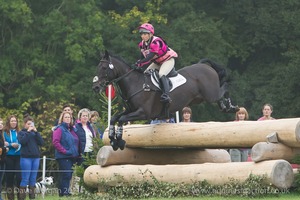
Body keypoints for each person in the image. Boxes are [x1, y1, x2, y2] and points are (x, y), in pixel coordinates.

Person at [135, 23, 178, 104]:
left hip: (168, 60)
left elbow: (150, 57)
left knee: (161, 74)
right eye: (141, 34)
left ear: (150, 34)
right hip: (158, 62)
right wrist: (138, 65)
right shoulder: (142, 44)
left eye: (144, 34)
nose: (142, 36)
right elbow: (142, 57)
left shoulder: (156, 41)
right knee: (146, 73)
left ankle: (166, 95)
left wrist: (140, 62)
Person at [52, 111, 79, 197]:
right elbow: (56, 142)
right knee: (66, 174)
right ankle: (64, 192)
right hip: (63, 156)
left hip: (71, 155)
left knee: (68, 174)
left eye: (69, 117)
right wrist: (64, 151)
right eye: (66, 117)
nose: (68, 119)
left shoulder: (70, 129)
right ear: (62, 119)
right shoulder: (59, 129)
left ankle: (64, 192)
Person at [18, 115, 44, 200]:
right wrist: (28, 132)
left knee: (33, 178)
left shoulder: (34, 134)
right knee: (25, 178)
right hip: (26, 158)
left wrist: (36, 132)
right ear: (25, 124)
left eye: (31, 124)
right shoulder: (21, 133)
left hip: (35, 157)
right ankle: (22, 197)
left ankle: (32, 197)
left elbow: (41, 142)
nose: (30, 126)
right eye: (28, 124)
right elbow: (22, 142)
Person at [3, 115, 21, 200]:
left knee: (19, 177)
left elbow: (22, 142)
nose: (14, 122)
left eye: (15, 121)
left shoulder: (19, 132)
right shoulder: (5, 132)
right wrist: (11, 145)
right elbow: (4, 143)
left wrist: (17, 145)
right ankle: (10, 197)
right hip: (9, 156)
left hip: (18, 156)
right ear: (9, 122)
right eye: (12, 121)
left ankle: (20, 197)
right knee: (9, 177)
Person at [0, 118, 8, 200]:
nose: (0, 124)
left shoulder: (2, 134)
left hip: (2, 160)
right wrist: (5, 149)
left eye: (2, 123)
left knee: (1, 180)